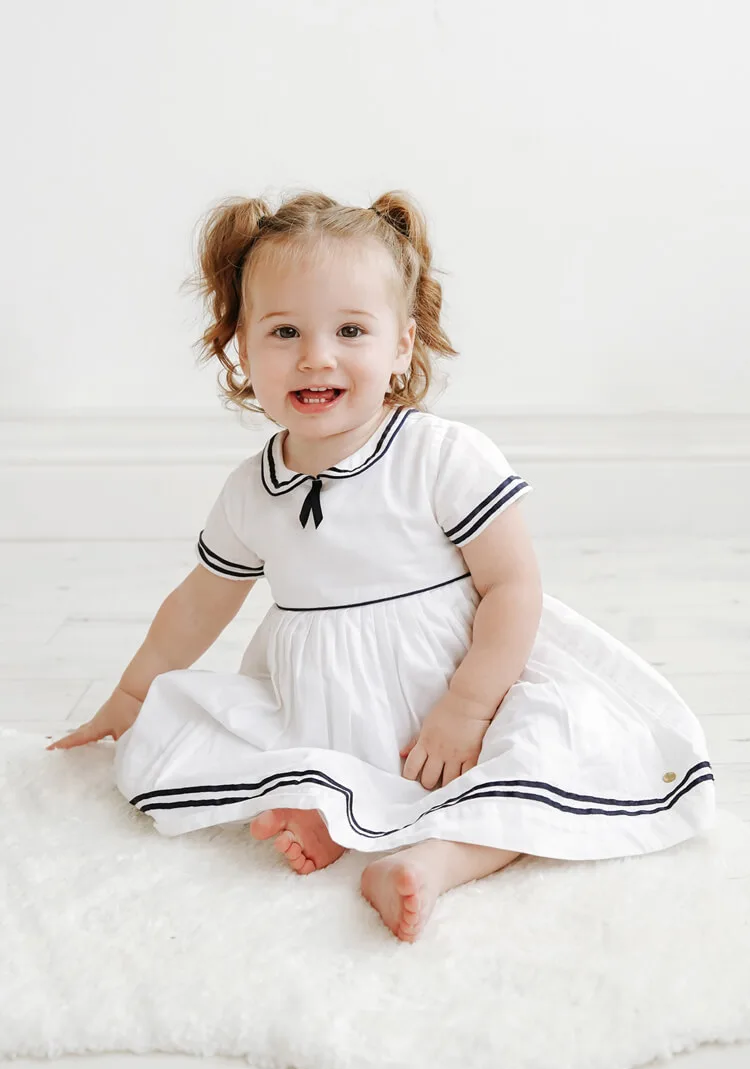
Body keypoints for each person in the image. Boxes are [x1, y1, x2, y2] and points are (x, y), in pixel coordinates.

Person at [46, 189, 716, 943]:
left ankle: (432, 861)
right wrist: (133, 694)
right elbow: (203, 598)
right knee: (176, 742)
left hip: (459, 690)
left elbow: (512, 585)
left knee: (558, 753)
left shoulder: (439, 456)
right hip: (325, 707)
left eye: (352, 330)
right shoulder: (250, 491)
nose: (316, 355)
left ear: (402, 346)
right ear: (241, 347)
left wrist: (468, 706)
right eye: (285, 330)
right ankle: (328, 802)